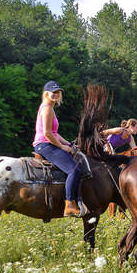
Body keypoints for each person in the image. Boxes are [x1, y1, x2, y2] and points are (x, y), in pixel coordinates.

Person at [33, 80, 87, 217]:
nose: (56, 94)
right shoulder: (47, 109)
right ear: (46, 94)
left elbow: (55, 133)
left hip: (47, 143)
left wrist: (69, 144)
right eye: (53, 92)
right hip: (45, 145)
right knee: (74, 170)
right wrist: (62, 147)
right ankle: (69, 204)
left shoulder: (49, 108)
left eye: (58, 92)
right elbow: (47, 133)